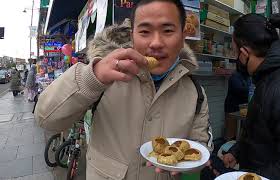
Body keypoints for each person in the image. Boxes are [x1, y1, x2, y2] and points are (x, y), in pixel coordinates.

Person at [35, 0, 211, 179]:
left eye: (168, 31)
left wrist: (186, 162)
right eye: (144, 31)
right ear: (133, 36)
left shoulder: (196, 93)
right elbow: (46, 119)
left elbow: (199, 145)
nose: (156, 43)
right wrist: (92, 77)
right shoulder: (104, 75)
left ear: (182, 37)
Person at [213, 13, 280, 180]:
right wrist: (238, 152)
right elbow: (261, 130)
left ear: (244, 53)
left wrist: (248, 178)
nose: (235, 60)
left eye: (234, 53)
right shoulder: (269, 76)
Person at [224, 63, 250, 140]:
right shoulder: (235, 76)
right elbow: (240, 89)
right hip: (232, 107)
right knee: (231, 132)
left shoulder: (247, 77)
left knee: (239, 131)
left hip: (242, 107)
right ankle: (227, 148)